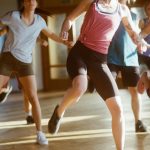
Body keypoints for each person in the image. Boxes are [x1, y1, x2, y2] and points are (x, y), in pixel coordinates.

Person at [48, 0, 150, 149]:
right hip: (80, 54)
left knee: (117, 109)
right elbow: (70, 18)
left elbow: (133, 33)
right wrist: (64, 29)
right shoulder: (92, 2)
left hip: (100, 61)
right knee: (80, 88)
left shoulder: (122, 9)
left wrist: (140, 42)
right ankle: (59, 111)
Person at [0, 0, 71, 145]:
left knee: (33, 97)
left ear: (36, 3)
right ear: (24, 3)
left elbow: (51, 34)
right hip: (8, 58)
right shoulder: (13, 16)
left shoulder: (39, 21)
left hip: (25, 62)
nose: (32, 1)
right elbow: (1, 24)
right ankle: (5, 89)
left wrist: (63, 42)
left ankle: (40, 133)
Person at [107, 0, 147, 132]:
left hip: (130, 58)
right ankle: (117, 119)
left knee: (134, 90)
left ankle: (138, 122)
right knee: (109, 88)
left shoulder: (135, 17)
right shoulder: (110, 13)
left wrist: (140, 44)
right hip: (112, 57)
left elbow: (138, 36)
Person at [138, 0, 150, 70]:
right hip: (144, 53)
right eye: (149, 9)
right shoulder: (142, 21)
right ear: (146, 10)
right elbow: (140, 35)